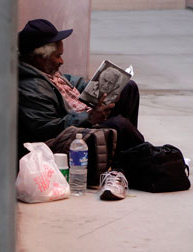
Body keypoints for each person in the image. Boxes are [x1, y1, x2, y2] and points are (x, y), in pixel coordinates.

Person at [17, 18, 145, 159]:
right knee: (120, 124)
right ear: (39, 58)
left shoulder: (46, 71)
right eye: (58, 56)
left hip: (84, 120)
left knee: (128, 88)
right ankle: (140, 156)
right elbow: (48, 129)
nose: (62, 61)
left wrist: (102, 89)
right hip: (68, 139)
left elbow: (72, 83)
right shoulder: (30, 87)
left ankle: (128, 154)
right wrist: (89, 118)